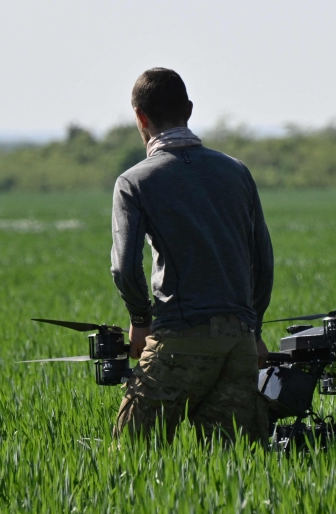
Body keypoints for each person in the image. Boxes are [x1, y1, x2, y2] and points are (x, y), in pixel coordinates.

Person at [110, 67, 274, 442]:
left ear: (140, 117)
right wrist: (254, 331)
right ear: (188, 109)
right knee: (236, 464)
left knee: (132, 454)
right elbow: (262, 262)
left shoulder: (134, 181)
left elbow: (125, 268)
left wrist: (140, 320)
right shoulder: (237, 172)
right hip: (239, 343)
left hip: (179, 340)